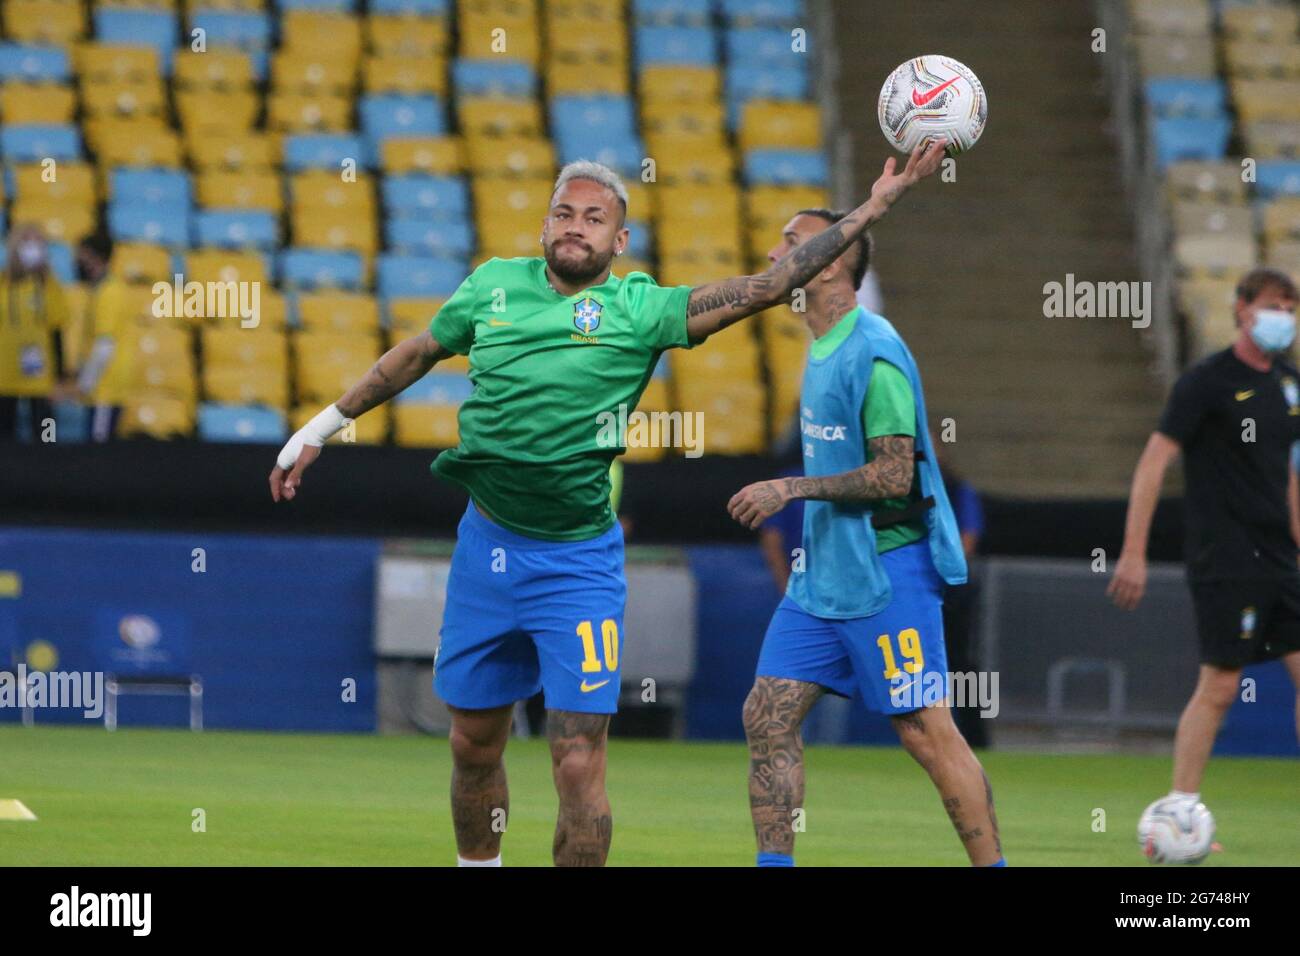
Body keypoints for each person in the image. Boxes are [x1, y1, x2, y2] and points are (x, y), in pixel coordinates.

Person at [270, 142, 948, 867]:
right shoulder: (492, 287)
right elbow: (414, 353)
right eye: (564, 212)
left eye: (595, 218)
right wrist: (320, 427)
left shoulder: (640, 308)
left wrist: (876, 205)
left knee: (578, 758)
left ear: (618, 241)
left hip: (578, 564)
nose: (576, 225)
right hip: (487, 551)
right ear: (543, 226)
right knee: (471, 742)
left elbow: (764, 285)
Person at [728, 203, 1004, 867]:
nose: (775, 256)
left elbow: (888, 476)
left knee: (927, 735)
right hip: (821, 577)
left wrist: (789, 489)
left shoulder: (873, 351)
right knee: (767, 715)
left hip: (887, 573)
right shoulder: (820, 347)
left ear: (831, 261)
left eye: (791, 244)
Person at [1108, 266, 1300, 820]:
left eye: (1289, 308)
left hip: (1280, 557)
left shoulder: (1288, 386)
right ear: (1241, 309)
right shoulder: (1207, 381)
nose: (1281, 318)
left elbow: (1287, 473)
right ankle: (1181, 807)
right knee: (1220, 683)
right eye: (1272, 305)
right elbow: (1154, 461)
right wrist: (1133, 551)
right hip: (1228, 556)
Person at [932, 431, 988, 748]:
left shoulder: (955, 489)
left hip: (951, 590)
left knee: (961, 662)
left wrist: (940, 572)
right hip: (908, 588)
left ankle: (975, 736)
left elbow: (968, 537)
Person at [0, 225, 70, 441]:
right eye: (27, 242)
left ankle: (49, 471)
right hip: (4, 372)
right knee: (5, 436)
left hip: (41, 374)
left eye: (38, 242)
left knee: (46, 434)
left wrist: (59, 378)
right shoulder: (2, 284)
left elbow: (57, 332)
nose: (33, 248)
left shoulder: (51, 286)